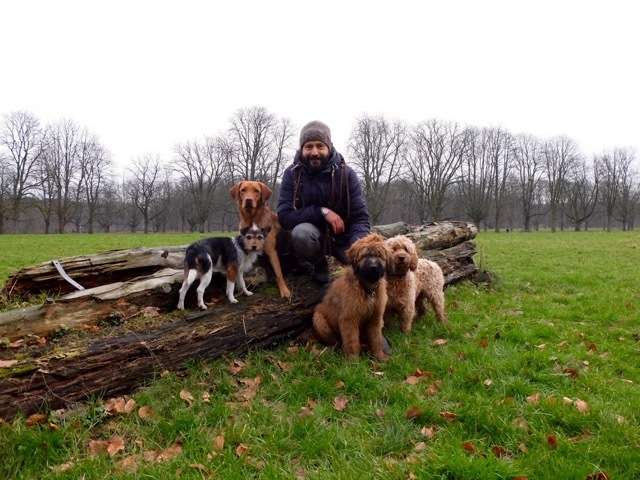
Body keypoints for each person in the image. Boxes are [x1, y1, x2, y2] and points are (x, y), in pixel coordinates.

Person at [277, 120, 371, 284]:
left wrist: (358, 246)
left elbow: (360, 217)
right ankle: (319, 263)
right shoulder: (292, 174)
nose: (314, 152)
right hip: (312, 237)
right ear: (302, 149)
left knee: (365, 268)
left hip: (343, 237)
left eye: (320, 146)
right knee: (301, 234)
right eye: (309, 146)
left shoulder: (347, 174)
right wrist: (321, 212)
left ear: (329, 147)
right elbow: (284, 217)